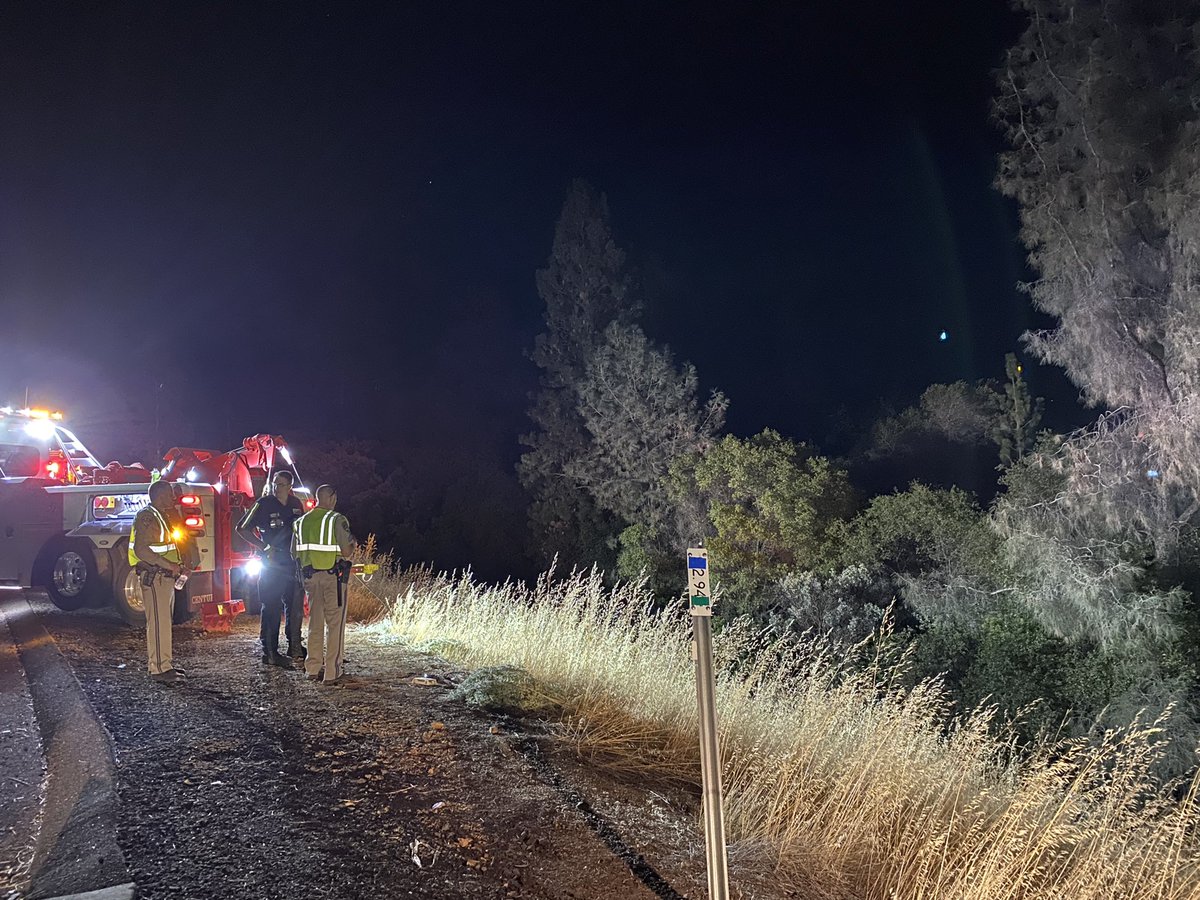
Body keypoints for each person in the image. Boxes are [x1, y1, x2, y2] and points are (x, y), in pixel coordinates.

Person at [236, 470, 306, 667]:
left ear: (289, 486)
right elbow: (242, 528)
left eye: (281, 484)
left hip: (292, 563)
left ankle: (295, 647)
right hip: (271, 564)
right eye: (275, 483)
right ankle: (270, 652)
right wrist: (262, 546)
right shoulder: (263, 504)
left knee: (294, 607)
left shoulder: (296, 505)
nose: (277, 487)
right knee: (271, 607)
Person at [130, 480, 196, 683]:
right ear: (159, 496)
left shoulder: (161, 516)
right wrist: (170, 566)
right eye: (169, 494)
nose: (173, 498)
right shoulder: (148, 517)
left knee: (163, 623)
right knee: (158, 623)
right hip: (156, 577)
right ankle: (158, 669)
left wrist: (180, 566)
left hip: (164, 577)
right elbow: (142, 550)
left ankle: (164, 665)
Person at [292, 484, 354, 686]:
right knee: (335, 625)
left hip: (310, 578)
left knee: (315, 623)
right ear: (332, 497)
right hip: (333, 578)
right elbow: (346, 552)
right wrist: (352, 544)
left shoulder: (300, 522)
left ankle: (312, 669)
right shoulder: (336, 519)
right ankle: (332, 672)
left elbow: (293, 553)